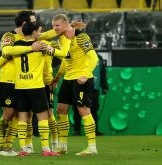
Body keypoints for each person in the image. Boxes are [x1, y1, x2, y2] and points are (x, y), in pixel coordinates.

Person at [0, 10, 64, 156]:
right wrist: (30, 48)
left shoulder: (33, 38)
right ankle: (3, 144)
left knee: (21, 115)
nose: (35, 23)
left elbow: (46, 35)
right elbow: (6, 51)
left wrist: (64, 27)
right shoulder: (9, 36)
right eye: (33, 21)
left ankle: (12, 145)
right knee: (9, 113)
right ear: (25, 23)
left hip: (21, 82)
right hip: (8, 80)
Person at [51, 13, 99, 156]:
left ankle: (92, 147)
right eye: (53, 26)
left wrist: (85, 74)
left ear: (65, 24)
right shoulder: (63, 39)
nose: (55, 29)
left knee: (83, 110)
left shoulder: (81, 37)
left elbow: (93, 57)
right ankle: (62, 146)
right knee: (61, 110)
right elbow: (66, 61)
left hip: (82, 79)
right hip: (68, 79)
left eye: (57, 26)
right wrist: (57, 77)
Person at [73, 54, 108, 136]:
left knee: (94, 109)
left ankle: (94, 130)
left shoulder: (99, 57)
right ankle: (77, 130)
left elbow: (102, 72)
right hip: (80, 87)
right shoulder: (79, 55)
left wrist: (104, 86)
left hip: (94, 88)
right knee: (78, 107)